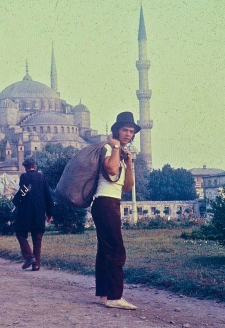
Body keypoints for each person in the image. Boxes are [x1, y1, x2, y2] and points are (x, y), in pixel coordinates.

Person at [91, 111, 141, 310]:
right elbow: (111, 170)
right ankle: (115, 297)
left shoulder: (121, 154)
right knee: (117, 250)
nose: (128, 134)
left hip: (113, 203)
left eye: (131, 131)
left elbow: (127, 186)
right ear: (116, 131)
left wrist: (128, 163)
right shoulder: (108, 148)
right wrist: (116, 148)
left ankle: (104, 293)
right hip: (104, 203)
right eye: (124, 130)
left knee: (105, 250)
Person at [12, 157, 54, 271]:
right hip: (39, 212)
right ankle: (36, 265)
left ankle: (29, 257)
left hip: (25, 212)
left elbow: (23, 191)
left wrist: (15, 201)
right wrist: (49, 213)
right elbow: (48, 196)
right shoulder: (42, 177)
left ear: (25, 168)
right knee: (37, 239)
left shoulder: (24, 177)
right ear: (35, 167)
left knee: (20, 233)